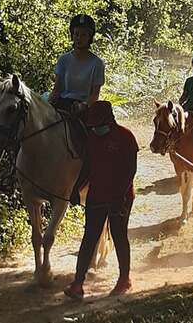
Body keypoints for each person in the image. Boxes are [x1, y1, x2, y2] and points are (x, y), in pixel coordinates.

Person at [64, 101, 138, 299]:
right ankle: (78, 283)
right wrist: (75, 189)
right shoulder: (92, 139)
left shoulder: (125, 137)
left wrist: (119, 197)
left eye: (98, 125)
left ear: (109, 120)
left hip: (120, 198)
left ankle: (124, 279)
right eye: (93, 126)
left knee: (119, 235)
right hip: (96, 195)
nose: (95, 128)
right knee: (89, 237)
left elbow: (130, 171)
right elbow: (87, 167)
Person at [49, 14, 105, 112]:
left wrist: (84, 105)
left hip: (84, 108)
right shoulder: (63, 59)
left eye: (83, 35)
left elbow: (95, 94)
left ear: (89, 37)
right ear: (72, 35)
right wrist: (50, 102)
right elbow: (57, 88)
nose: (79, 38)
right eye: (76, 34)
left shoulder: (97, 63)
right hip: (63, 104)